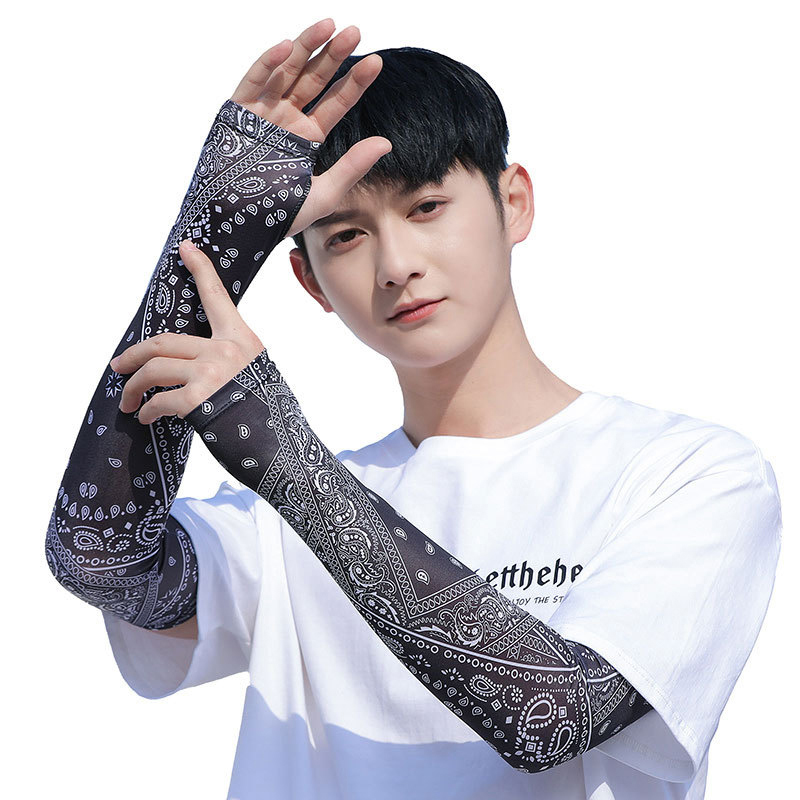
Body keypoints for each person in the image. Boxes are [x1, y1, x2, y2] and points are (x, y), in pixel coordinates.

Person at [45, 17, 782, 800]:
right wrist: (208, 245)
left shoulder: (690, 474)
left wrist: (288, 458)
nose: (396, 265)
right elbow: (100, 560)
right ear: (309, 282)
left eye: (427, 206)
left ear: (514, 203)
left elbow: (552, 716)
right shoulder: (272, 525)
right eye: (346, 235)